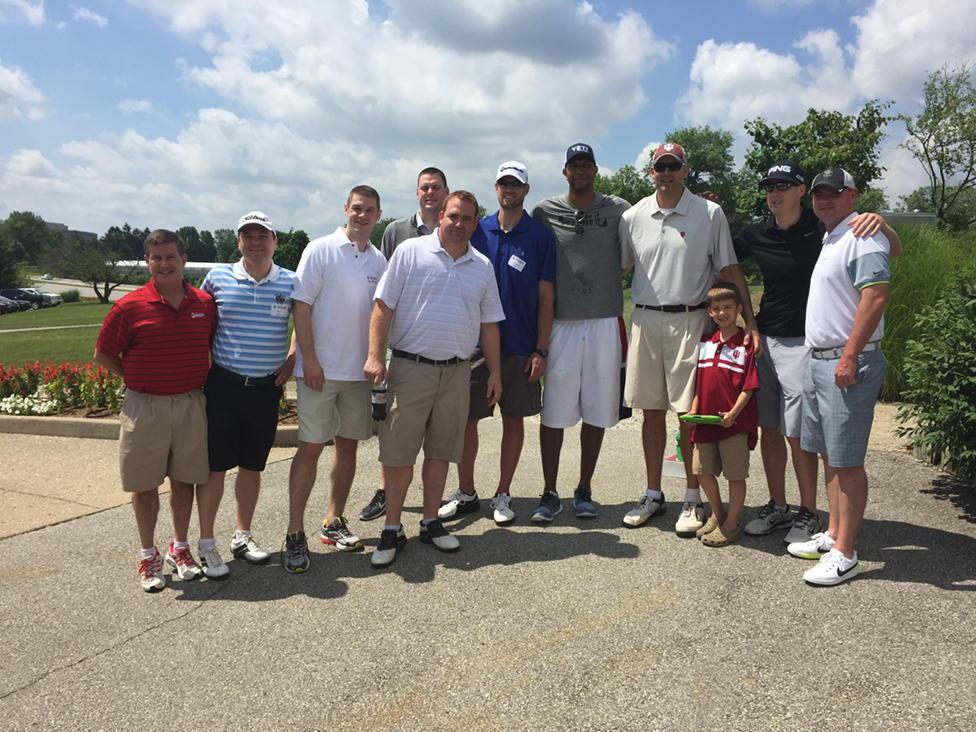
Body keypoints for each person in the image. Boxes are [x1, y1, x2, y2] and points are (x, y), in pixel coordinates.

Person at [735, 161, 902, 547]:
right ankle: (781, 505)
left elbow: (889, 253)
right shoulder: (762, 231)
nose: (775, 192)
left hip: (809, 346)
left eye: (784, 185)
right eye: (769, 186)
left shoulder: (824, 227)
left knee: (805, 438)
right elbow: (723, 258)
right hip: (771, 340)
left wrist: (882, 221)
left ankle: (810, 513)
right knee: (774, 428)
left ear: (798, 192)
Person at [619, 142, 757, 536]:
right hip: (646, 319)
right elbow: (621, 266)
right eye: (660, 166)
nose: (666, 172)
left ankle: (692, 497)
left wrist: (751, 323)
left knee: (688, 414)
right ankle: (652, 492)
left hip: (690, 320)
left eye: (673, 166)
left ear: (685, 169)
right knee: (650, 411)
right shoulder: (632, 216)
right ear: (651, 171)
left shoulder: (709, 213)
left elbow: (729, 268)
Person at [364, 191, 504, 568]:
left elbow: (490, 324)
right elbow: (383, 306)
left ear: (476, 224)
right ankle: (392, 528)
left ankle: (430, 521)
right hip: (410, 370)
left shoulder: (482, 266)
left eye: (468, 219)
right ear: (440, 215)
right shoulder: (410, 252)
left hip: (458, 372)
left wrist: (495, 372)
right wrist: (375, 355)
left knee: (441, 452)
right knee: (398, 455)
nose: (460, 225)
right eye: (454, 216)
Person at [94, 229, 216, 592]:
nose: (164, 264)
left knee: (185, 481)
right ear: (147, 262)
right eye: (156, 258)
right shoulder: (129, 306)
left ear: (183, 260)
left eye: (170, 257)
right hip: (145, 406)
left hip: (191, 403)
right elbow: (103, 354)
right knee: (145, 484)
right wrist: (133, 376)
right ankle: (148, 553)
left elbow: (208, 345)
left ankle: (180, 549)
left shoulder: (204, 303)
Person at [788, 167, 891, 586]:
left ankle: (846, 553)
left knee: (847, 461)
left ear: (853, 195)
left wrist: (848, 357)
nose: (824, 199)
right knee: (829, 453)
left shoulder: (864, 233)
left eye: (834, 192)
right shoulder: (837, 234)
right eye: (819, 194)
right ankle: (832, 535)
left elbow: (876, 294)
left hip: (847, 362)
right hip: (821, 359)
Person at [438, 161, 555, 525]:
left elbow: (546, 296)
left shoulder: (539, 235)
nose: (509, 190)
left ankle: (503, 493)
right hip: (474, 342)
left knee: (514, 420)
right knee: (468, 420)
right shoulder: (478, 229)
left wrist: (541, 348)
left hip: (520, 344)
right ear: (496, 188)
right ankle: (467, 491)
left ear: (525, 190)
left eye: (515, 185)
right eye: (504, 184)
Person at [281, 186, 388, 574]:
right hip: (319, 373)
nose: (362, 216)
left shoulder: (380, 260)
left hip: (357, 375)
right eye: (357, 208)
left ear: (378, 216)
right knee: (310, 449)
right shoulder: (320, 249)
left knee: (348, 450)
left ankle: (333, 521)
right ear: (346, 209)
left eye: (370, 211)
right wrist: (308, 360)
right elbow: (302, 306)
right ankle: (294, 533)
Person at [530, 143, 630, 522]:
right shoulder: (544, 211)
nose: (581, 171)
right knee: (554, 410)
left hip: (605, 320)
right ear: (565, 172)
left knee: (597, 408)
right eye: (575, 165)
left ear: (596, 170)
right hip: (561, 323)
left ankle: (584, 488)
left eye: (587, 164)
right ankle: (549, 491)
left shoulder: (619, 209)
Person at [194, 211, 296, 578]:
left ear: (274, 242)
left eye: (262, 235)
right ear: (238, 242)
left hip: (265, 390)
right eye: (248, 236)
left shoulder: (289, 281)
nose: (255, 242)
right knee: (215, 467)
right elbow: (200, 322)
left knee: (252, 466)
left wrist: (293, 358)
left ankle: (242, 535)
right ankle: (207, 544)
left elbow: (303, 324)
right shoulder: (218, 276)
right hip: (223, 385)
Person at [358, 167, 451, 522]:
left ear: (446, 191)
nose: (430, 193)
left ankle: (435, 502)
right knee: (395, 430)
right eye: (424, 187)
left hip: (440, 346)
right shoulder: (396, 231)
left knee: (437, 433)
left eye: (436, 187)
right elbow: (383, 291)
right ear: (417, 192)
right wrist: (376, 351)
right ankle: (385, 491)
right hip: (402, 347)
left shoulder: (455, 229)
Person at [687, 282, 759, 547]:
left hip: (734, 423)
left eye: (727, 307)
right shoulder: (706, 343)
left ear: (739, 309)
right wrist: (695, 408)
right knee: (701, 470)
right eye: (716, 309)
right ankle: (719, 513)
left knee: (734, 474)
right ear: (709, 312)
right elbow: (701, 383)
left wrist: (733, 413)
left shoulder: (746, 344)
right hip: (705, 422)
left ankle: (732, 523)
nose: (721, 313)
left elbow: (749, 387)